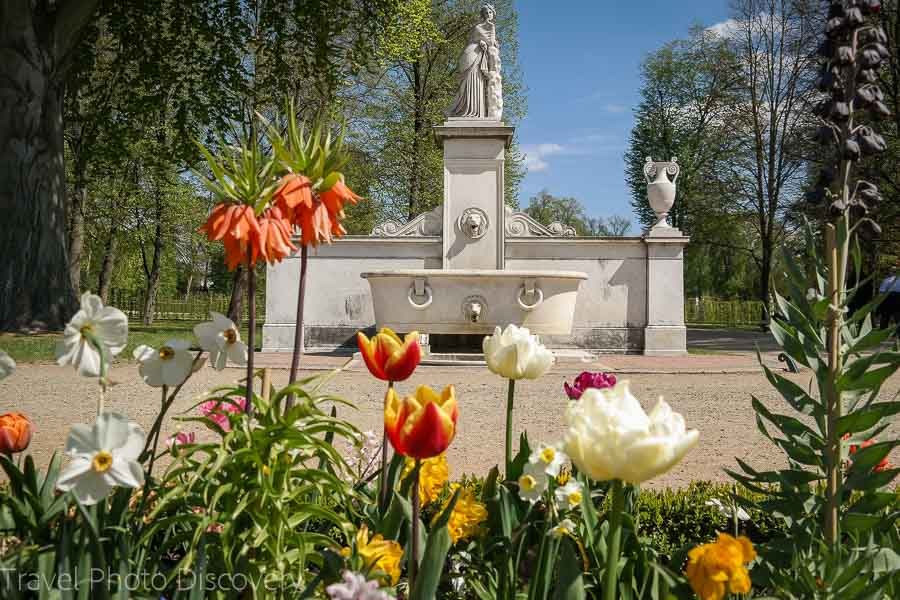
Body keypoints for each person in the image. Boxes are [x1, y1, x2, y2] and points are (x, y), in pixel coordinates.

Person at [447, 5, 499, 119]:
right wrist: (480, 41)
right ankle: (464, 110)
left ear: (493, 14)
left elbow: (491, 43)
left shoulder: (491, 27)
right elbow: (474, 40)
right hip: (472, 54)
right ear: (482, 14)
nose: (488, 14)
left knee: (478, 83)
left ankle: (476, 112)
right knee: (469, 81)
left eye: (490, 12)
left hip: (481, 58)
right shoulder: (478, 27)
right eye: (486, 12)